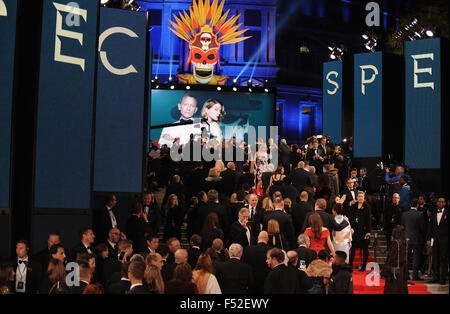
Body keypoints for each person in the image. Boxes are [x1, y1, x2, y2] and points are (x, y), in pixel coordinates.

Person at [401, 198, 426, 281]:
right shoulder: (420, 214)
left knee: (407, 258)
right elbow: (422, 228)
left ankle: (406, 275)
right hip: (417, 239)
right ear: (417, 205)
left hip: (406, 238)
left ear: (410, 205)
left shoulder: (404, 214)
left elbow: (403, 226)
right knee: (416, 258)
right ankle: (415, 276)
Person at [426, 197, 448, 285]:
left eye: (443, 202)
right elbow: (430, 227)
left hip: (445, 241)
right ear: (437, 203)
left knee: (443, 259)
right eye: (439, 201)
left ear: (445, 203)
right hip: (435, 240)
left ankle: (443, 278)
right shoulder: (433, 214)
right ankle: (436, 277)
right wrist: (428, 239)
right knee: (435, 259)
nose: (441, 203)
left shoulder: (448, 214)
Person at [348, 191, 371, 271]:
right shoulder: (354, 206)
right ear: (357, 198)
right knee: (353, 248)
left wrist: (368, 232)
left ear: (364, 198)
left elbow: (368, 220)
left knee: (365, 248)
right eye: (359, 196)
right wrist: (350, 228)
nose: (360, 198)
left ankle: (364, 266)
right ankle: (350, 265)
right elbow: (350, 218)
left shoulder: (367, 206)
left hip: (364, 231)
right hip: (355, 231)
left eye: (362, 196)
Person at [382, 226, 409, 294]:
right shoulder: (404, 243)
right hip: (402, 270)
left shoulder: (395, 243)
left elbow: (391, 258)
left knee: (393, 289)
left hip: (394, 271)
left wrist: (386, 270)